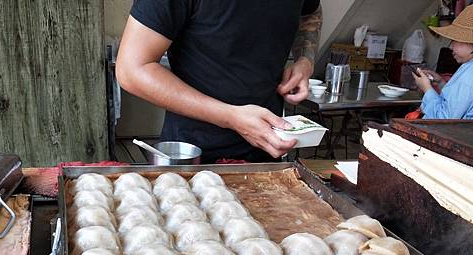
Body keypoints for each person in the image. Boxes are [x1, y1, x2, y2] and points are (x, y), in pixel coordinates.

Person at [116, 0, 323, 163]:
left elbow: (311, 12)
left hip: (267, 153)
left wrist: (306, 60)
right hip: (193, 157)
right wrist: (231, 117)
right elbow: (132, 69)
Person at [412, 4, 473, 126]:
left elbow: (444, 118)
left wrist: (427, 89)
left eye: (455, 40)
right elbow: (467, 98)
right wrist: (441, 82)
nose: (451, 46)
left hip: (470, 138)